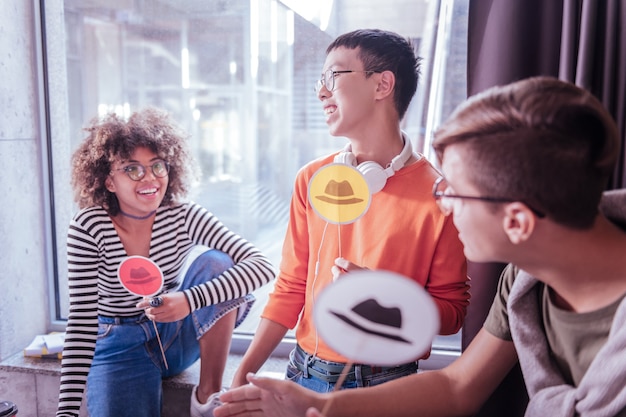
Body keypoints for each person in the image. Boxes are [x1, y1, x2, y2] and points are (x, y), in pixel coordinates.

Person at [214, 76, 626, 417]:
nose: (441, 200)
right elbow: (456, 385)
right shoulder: (524, 278)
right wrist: (319, 402)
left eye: (455, 191)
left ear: (517, 221)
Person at [230, 28, 469, 393]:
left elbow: (452, 314)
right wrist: (241, 375)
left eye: (333, 76)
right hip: (302, 371)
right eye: (319, 80)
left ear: (382, 85)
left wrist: (386, 299)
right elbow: (292, 286)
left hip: (385, 384)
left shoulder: (442, 195)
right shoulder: (311, 179)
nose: (321, 91)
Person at [55, 108, 276, 417]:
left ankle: (208, 395)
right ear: (108, 182)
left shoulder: (183, 216)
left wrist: (188, 300)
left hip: (175, 337)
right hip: (119, 348)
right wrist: (66, 412)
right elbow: (81, 321)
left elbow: (261, 265)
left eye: (157, 165)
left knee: (216, 262)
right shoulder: (88, 226)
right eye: (132, 169)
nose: (150, 177)